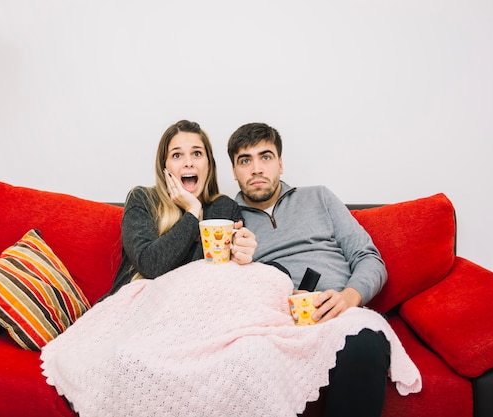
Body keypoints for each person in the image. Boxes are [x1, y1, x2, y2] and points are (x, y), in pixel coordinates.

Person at [227, 122, 391, 417]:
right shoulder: (226, 219)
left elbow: (369, 258)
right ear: (234, 171)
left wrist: (349, 297)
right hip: (274, 329)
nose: (256, 169)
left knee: (366, 341)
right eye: (245, 160)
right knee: (245, 360)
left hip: (340, 314)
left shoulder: (320, 198)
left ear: (280, 163)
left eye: (265, 157)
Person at [106, 120, 256, 296]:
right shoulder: (142, 199)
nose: (189, 163)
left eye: (197, 153)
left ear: (209, 164)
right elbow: (151, 265)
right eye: (177, 155)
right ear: (165, 167)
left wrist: (241, 254)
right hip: (139, 304)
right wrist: (192, 212)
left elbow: (221, 281)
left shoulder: (225, 208)